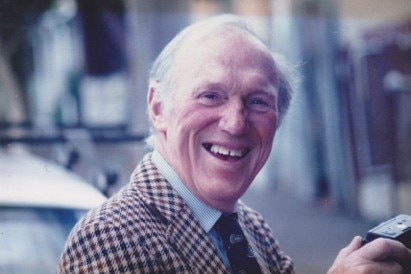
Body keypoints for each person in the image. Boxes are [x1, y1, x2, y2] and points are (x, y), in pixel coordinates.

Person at [57, 14, 411, 274]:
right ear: (158, 107)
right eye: (210, 96)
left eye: (258, 101)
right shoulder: (110, 237)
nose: (236, 122)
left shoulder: (251, 227)